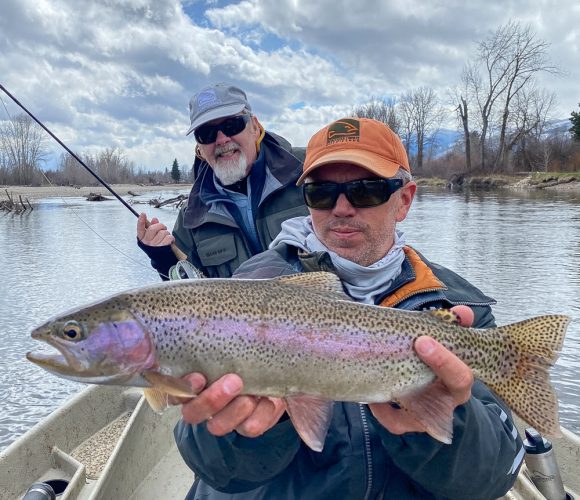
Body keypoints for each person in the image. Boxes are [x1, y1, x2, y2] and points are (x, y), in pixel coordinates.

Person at [172, 118, 524, 499]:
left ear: (404, 199)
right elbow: (215, 471)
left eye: (366, 190)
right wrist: (254, 430)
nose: (341, 208)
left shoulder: (456, 305)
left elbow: (493, 477)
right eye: (321, 192)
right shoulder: (249, 292)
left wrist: (444, 420)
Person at [137, 83, 308, 278]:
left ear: (254, 126)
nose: (221, 139)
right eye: (206, 133)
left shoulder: (311, 168)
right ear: (199, 147)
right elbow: (191, 298)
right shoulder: (192, 217)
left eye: (231, 125)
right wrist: (163, 259)